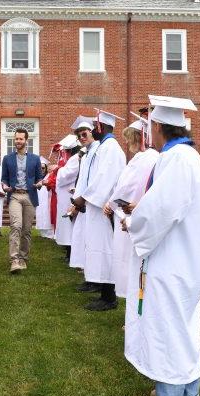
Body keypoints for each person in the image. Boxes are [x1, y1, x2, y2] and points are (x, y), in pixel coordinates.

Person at [122, 96, 200, 396]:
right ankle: (188, 391)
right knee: (184, 332)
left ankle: (171, 394)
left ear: (158, 126)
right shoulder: (188, 158)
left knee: (169, 333)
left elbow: (158, 212)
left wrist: (133, 221)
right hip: (185, 260)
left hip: (172, 263)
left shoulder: (176, 160)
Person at [71, 111, 126, 311]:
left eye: (95, 126)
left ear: (101, 127)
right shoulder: (105, 148)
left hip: (104, 208)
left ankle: (109, 297)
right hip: (96, 206)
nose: (93, 129)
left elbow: (104, 179)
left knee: (106, 250)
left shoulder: (110, 149)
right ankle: (103, 290)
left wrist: (84, 198)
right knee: (99, 249)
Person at [103, 119, 159, 298]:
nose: (127, 143)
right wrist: (112, 202)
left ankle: (136, 305)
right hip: (124, 214)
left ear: (139, 137)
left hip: (135, 215)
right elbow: (123, 185)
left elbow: (132, 186)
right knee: (124, 261)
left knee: (134, 264)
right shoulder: (139, 158)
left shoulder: (150, 158)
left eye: (129, 138)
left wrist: (113, 203)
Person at [1, 128, 43, 273]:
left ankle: (24, 258)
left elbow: (39, 177)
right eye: (16, 138)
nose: (18, 141)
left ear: (26, 140)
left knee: (26, 229)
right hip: (14, 195)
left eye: (20, 139)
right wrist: (4, 185)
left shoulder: (35, 159)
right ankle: (14, 260)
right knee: (16, 226)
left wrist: (39, 183)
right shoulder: (7, 158)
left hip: (29, 195)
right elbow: (4, 178)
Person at [69, 119, 97, 292]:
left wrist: (83, 199)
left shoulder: (98, 151)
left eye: (84, 133)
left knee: (92, 243)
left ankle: (95, 280)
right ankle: (89, 276)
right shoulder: (86, 155)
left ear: (92, 132)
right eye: (79, 136)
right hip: (82, 202)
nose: (82, 137)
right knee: (84, 241)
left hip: (91, 202)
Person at [54, 135, 81, 261]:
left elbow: (66, 175)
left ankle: (70, 252)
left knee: (70, 223)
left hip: (69, 194)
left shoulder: (75, 159)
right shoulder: (73, 158)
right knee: (67, 223)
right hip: (65, 194)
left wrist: (58, 171)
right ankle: (68, 251)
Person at [35, 159, 54, 239]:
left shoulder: (49, 176)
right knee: (40, 214)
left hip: (47, 199)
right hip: (39, 200)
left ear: (46, 168)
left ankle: (50, 233)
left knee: (47, 214)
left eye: (43, 168)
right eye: (40, 168)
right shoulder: (37, 178)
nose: (41, 170)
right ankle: (42, 232)